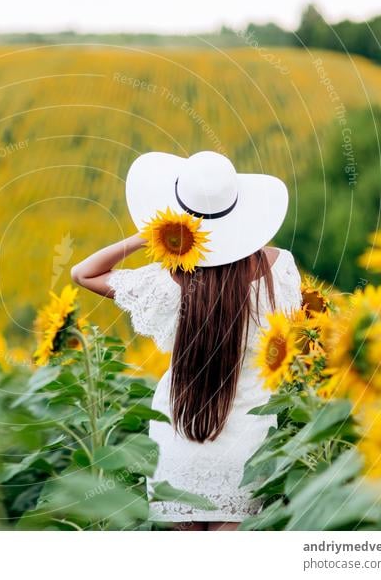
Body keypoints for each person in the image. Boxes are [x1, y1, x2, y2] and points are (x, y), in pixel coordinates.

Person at [71, 151, 302, 531]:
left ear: (177, 211)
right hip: (249, 449)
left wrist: (151, 234)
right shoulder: (281, 270)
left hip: (181, 436)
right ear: (242, 212)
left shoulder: (165, 283)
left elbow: (84, 273)